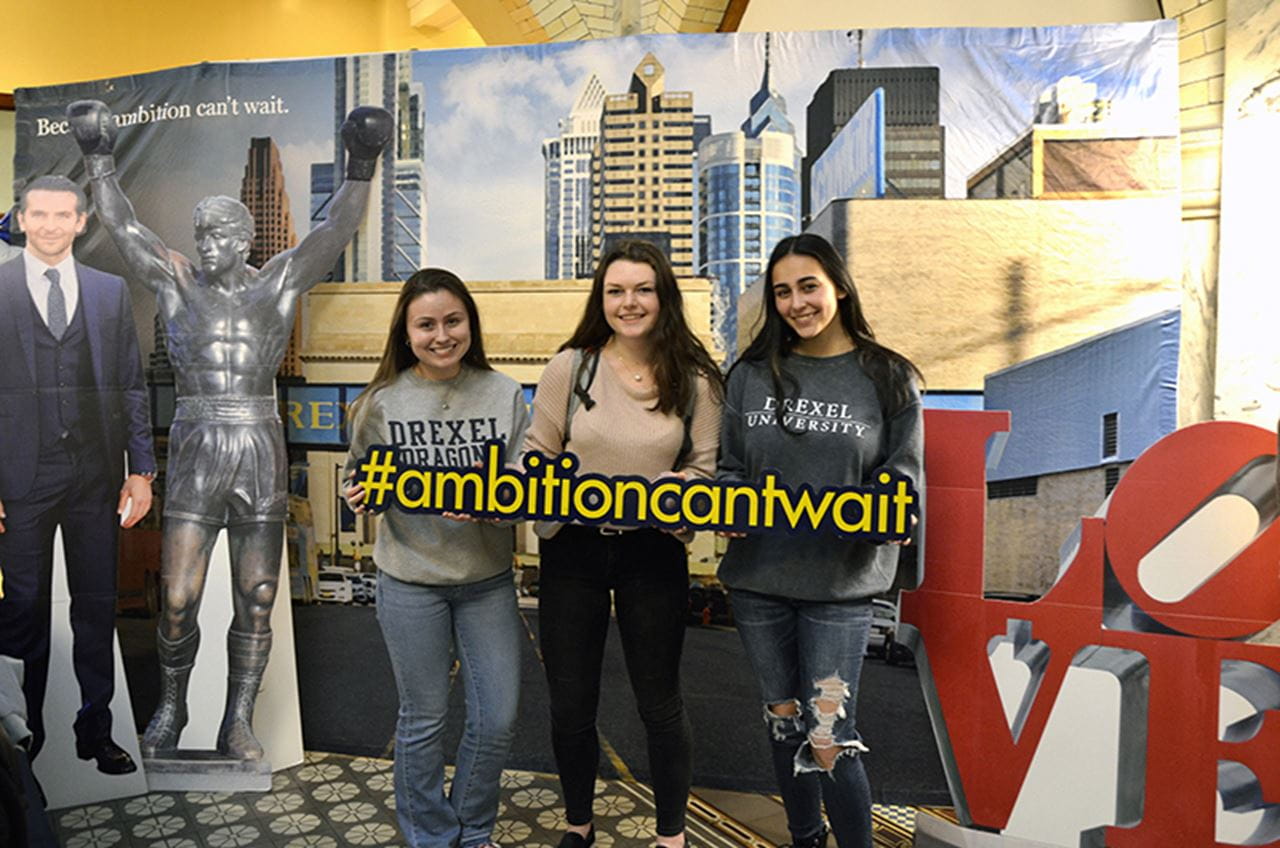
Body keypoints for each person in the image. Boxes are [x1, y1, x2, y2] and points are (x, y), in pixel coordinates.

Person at [66, 98, 392, 761]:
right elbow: (123, 225)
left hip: (258, 442)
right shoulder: (176, 281)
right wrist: (99, 157)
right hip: (194, 439)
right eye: (200, 232)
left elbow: (333, 231)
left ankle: (237, 720)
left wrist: (362, 164)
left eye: (218, 233)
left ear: (245, 239)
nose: (205, 243)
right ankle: (171, 709)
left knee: (259, 592)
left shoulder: (275, 284)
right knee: (179, 595)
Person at [716, 233, 923, 848]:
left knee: (829, 734)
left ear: (839, 285)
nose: (796, 303)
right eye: (782, 291)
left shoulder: (887, 376)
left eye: (808, 286)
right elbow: (730, 467)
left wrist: (883, 509)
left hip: (840, 585)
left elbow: (903, 478)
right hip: (758, 580)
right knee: (783, 725)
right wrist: (726, 503)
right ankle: (804, 838)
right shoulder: (750, 376)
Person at [522, 239, 723, 848]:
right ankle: (578, 827)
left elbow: (705, 469)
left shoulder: (696, 379)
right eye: (615, 290)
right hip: (574, 552)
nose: (628, 302)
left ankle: (670, 837)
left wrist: (670, 491)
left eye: (642, 289)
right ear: (600, 297)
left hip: (652, 552)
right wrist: (546, 480)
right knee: (570, 705)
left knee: (660, 704)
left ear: (662, 297)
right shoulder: (570, 366)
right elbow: (537, 451)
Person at [343, 269, 528, 848]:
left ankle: (472, 833)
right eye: (426, 325)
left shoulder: (503, 393)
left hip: (487, 581)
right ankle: (430, 836)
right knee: (422, 722)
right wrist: (358, 495)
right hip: (410, 580)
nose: (441, 335)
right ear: (406, 330)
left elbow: (524, 482)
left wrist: (504, 505)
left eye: (453, 321)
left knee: (496, 718)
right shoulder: (380, 402)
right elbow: (359, 479)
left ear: (470, 323)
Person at [0, 175, 156, 775]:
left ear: (81, 221)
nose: (49, 225)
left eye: (62, 215)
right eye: (38, 215)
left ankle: (96, 729)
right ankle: (22, 739)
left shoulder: (109, 292)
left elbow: (130, 386)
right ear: (21, 217)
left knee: (94, 605)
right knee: (23, 609)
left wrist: (140, 470)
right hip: (19, 475)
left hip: (94, 473)